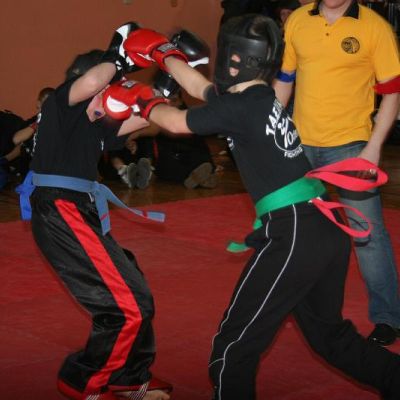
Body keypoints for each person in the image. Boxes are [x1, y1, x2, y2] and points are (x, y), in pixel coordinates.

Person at [103, 15, 400, 400]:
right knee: (330, 337)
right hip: (323, 226)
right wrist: (164, 54)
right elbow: (200, 87)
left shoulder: (240, 107)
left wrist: (138, 97)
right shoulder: (257, 98)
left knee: (232, 348)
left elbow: (175, 122)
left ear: (232, 59)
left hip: (294, 234)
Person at [22, 23, 172, 400]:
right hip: (60, 211)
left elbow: (149, 118)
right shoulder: (60, 107)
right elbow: (90, 82)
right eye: (110, 88)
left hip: (78, 211)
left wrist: (171, 74)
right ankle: (82, 380)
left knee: (135, 289)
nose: (114, 96)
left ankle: (127, 376)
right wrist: (117, 55)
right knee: (126, 306)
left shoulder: (94, 127)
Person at [273, 0, 400, 346]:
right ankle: (296, 309)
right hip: (299, 145)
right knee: (295, 232)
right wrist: (271, 130)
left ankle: (388, 317)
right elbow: (285, 79)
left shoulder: (374, 27)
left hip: (351, 147)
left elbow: (392, 93)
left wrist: (374, 147)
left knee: (367, 234)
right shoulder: (298, 20)